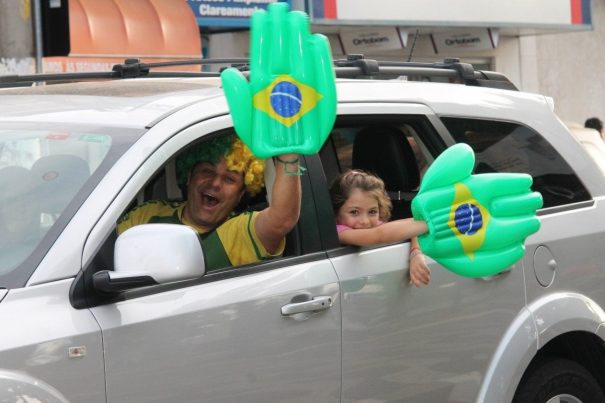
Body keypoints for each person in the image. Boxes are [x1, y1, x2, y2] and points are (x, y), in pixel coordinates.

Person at [117, 134, 301, 272]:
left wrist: (289, 150)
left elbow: (282, 219)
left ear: (241, 194)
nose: (215, 183)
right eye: (207, 172)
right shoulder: (147, 214)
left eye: (229, 179)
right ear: (189, 176)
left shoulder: (239, 231)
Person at [330, 169, 431, 287]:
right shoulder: (340, 232)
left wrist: (415, 252)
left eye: (372, 211)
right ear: (336, 213)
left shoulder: (376, 224)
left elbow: (408, 231)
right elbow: (379, 235)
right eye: (354, 212)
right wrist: (431, 222)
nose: (365, 221)